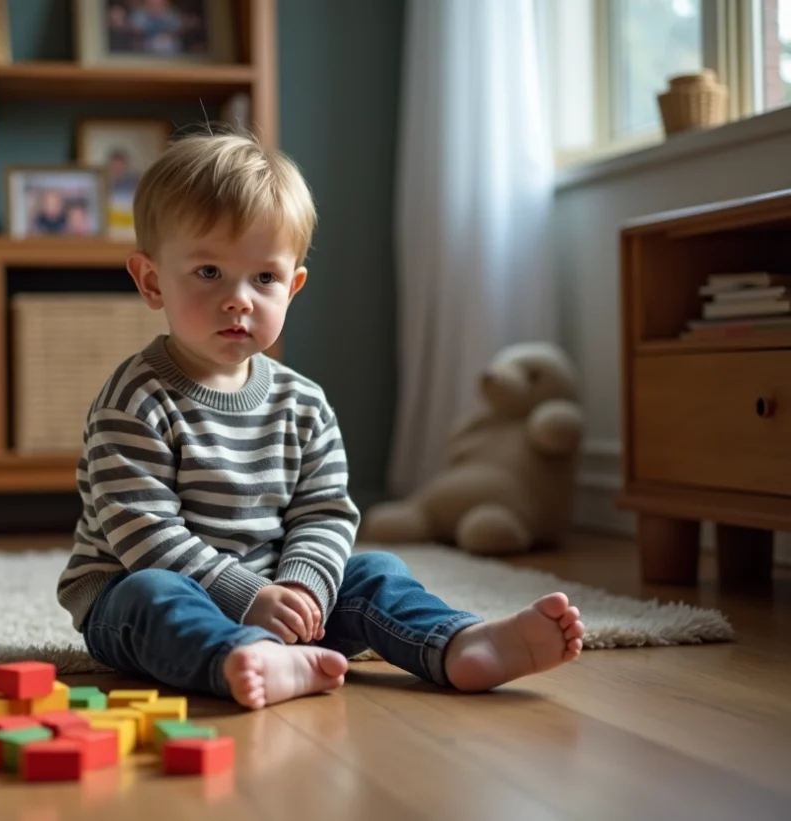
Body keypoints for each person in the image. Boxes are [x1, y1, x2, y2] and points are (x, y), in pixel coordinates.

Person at [55, 129, 585, 709]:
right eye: (209, 272)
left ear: (293, 287)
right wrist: (246, 596)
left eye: (264, 278)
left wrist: (300, 588)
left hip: (280, 597)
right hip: (142, 593)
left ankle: (459, 643)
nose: (239, 298)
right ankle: (238, 658)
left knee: (376, 571)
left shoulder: (303, 404)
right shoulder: (134, 400)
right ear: (152, 280)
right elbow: (145, 533)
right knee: (151, 596)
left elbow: (324, 511)